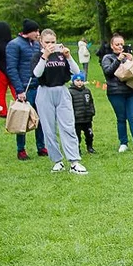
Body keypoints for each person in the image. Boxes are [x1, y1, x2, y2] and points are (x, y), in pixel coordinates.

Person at [32, 29, 87, 174]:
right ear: (41, 42)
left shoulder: (62, 55)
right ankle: (57, 161)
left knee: (68, 126)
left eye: (53, 42)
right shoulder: (38, 55)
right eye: (47, 42)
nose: (50, 45)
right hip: (45, 92)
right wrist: (45, 56)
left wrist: (68, 57)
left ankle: (74, 161)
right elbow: (36, 73)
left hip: (62, 91)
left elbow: (76, 72)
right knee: (49, 129)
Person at [5, 19, 47, 160]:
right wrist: (19, 89)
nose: (38, 34)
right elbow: (11, 68)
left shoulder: (36, 45)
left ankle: (41, 146)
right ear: (28, 32)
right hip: (25, 87)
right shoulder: (14, 45)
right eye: (36, 31)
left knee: (40, 118)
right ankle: (21, 149)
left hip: (39, 86)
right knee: (22, 118)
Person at [100, 34, 133, 153]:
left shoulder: (128, 57)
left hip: (131, 91)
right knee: (121, 118)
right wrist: (118, 60)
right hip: (116, 92)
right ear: (112, 46)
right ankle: (123, 143)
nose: (120, 47)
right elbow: (108, 72)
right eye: (117, 44)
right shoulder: (107, 57)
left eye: (122, 44)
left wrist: (132, 61)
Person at [68, 72, 97, 154]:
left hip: (87, 118)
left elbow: (91, 102)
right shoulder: (70, 92)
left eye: (81, 80)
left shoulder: (87, 91)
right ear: (73, 81)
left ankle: (90, 147)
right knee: (77, 135)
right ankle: (77, 149)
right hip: (77, 119)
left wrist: (92, 111)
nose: (79, 82)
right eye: (77, 80)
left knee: (89, 134)